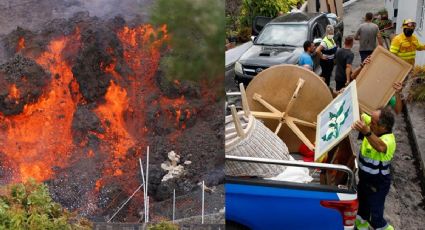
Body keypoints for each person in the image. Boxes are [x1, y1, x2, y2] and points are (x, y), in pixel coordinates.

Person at [352, 107, 396, 230]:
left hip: (378, 185)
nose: (369, 124)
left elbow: (380, 147)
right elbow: (360, 112)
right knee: (363, 207)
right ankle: (361, 225)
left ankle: (383, 227)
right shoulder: (373, 124)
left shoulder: (389, 140)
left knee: (375, 213)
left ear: (383, 127)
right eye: (370, 121)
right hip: (365, 181)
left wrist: (367, 132)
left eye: (373, 123)